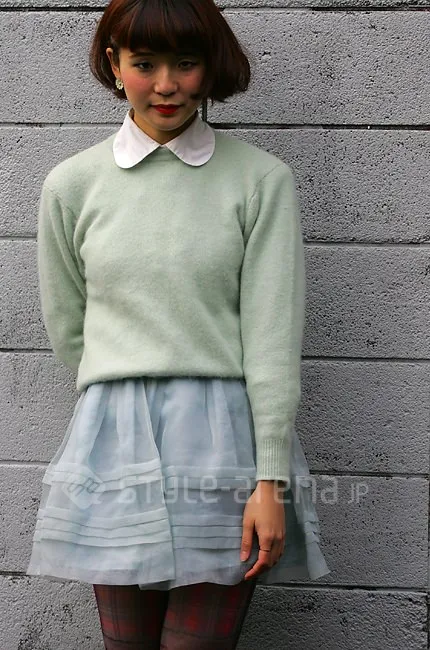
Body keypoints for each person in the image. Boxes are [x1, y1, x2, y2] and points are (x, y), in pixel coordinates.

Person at [26, 0, 331, 647]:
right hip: (116, 444)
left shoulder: (259, 181)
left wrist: (269, 479)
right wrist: (123, 390)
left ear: (210, 66)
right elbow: (71, 329)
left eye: (186, 63)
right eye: (145, 63)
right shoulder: (72, 185)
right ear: (115, 64)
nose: (166, 85)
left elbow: (273, 340)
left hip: (225, 443)